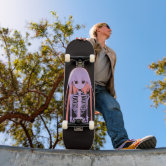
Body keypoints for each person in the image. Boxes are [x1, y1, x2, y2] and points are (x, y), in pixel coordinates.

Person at [79, 23, 156, 149]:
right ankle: (77, 138)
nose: (110, 29)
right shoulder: (89, 43)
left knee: (113, 107)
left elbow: (110, 76)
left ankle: (121, 143)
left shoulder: (112, 53)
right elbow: (78, 55)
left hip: (102, 90)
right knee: (82, 115)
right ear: (98, 29)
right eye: (107, 26)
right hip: (84, 85)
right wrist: (79, 45)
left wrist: (104, 101)